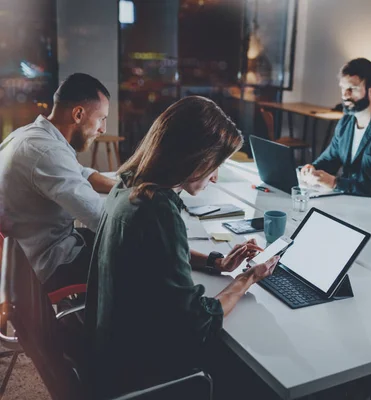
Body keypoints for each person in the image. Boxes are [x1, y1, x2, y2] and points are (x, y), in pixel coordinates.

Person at [84, 96, 280, 399]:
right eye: (216, 164)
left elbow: (155, 254)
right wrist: (246, 279)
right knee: (254, 374)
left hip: (108, 352)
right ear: (196, 156)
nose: (215, 176)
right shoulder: (157, 210)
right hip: (139, 372)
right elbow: (197, 322)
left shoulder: (128, 185)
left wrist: (216, 263)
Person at [0, 73, 116, 292]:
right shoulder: (46, 151)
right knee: (137, 258)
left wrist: (124, 188)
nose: (103, 129)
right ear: (78, 114)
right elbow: (100, 218)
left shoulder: (31, 136)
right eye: (101, 118)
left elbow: (82, 174)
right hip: (47, 264)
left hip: (30, 252)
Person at [300, 58, 371, 200]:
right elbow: (330, 158)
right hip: (351, 200)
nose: (345, 95)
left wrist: (335, 183)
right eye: (342, 88)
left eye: (352, 89)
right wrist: (312, 169)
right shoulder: (346, 121)